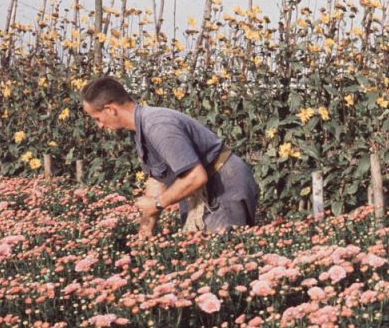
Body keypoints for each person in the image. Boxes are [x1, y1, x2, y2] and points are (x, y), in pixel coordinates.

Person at [81, 76, 257, 236]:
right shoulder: (139, 130)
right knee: (197, 249)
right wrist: (145, 231)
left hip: (222, 181)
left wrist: (158, 203)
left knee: (221, 255)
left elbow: (196, 177)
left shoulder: (158, 127)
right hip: (202, 186)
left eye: (97, 118)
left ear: (110, 109)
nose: (100, 126)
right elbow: (157, 181)